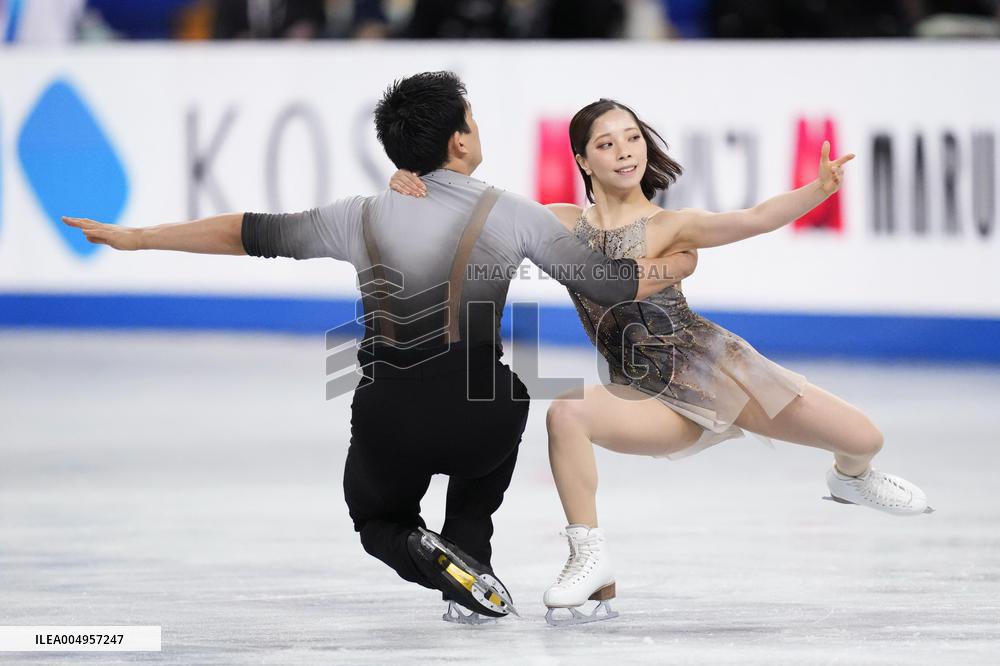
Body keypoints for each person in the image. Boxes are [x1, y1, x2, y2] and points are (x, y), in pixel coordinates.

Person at [61, 74, 697, 624]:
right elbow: (611, 284)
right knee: (509, 394)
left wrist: (140, 237)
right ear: (460, 141)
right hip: (481, 417)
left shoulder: (359, 214)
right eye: (471, 120)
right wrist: (682, 260)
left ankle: (430, 558)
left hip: (388, 418)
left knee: (375, 518)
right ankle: (469, 546)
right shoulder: (514, 213)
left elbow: (243, 231)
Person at [390, 97, 931, 626]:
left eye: (632, 138)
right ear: (583, 160)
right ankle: (589, 554)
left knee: (864, 438)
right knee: (566, 415)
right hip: (643, 390)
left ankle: (850, 478)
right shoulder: (559, 224)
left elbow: (755, 219)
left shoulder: (669, 226)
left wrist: (818, 189)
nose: (626, 152)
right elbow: (475, 218)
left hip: (717, 370)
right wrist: (411, 185)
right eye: (606, 143)